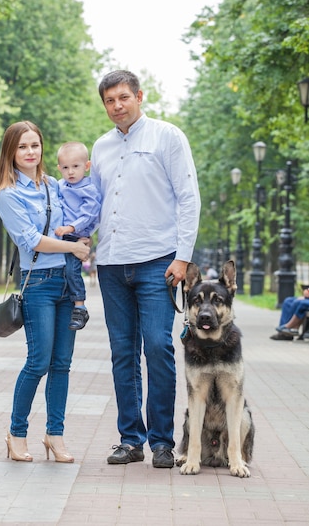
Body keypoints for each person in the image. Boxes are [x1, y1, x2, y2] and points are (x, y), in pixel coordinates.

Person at [90, 70, 201, 468]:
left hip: (159, 261)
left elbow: (189, 198)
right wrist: (76, 235)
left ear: (139, 96)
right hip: (112, 264)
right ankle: (130, 439)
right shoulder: (100, 147)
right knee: (122, 352)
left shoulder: (167, 136)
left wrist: (183, 257)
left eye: (123, 97)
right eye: (109, 101)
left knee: (157, 347)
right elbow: (95, 203)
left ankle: (162, 442)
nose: (117, 106)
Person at [0, 121, 90, 463]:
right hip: (39, 284)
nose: (30, 152)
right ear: (11, 152)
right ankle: (16, 433)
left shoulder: (54, 184)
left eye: (35, 145)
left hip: (68, 282)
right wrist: (73, 248)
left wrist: (82, 237)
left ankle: (55, 434)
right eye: (22, 147)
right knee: (38, 362)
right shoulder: (8, 194)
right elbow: (31, 239)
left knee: (62, 364)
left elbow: (76, 218)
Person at [55, 141, 101, 330]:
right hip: (60, 236)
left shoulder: (89, 188)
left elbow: (89, 213)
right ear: (59, 169)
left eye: (76, 166)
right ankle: (65, 299)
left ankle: (80, 307)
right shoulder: (59, 185)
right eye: (65, 168)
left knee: (72, 271)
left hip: (76, 235)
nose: (71, 172)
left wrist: (71, 228)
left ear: (87, 166)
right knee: (61, 270)